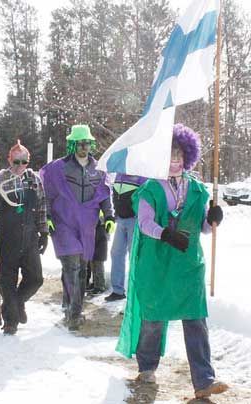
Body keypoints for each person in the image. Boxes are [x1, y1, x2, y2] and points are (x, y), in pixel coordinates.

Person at [116, 124, 229, 400]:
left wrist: (213, 218)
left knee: (196, 321)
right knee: (154, 319)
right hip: (156, 265)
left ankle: (204, 380)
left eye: (178, 154)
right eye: (169, 155)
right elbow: (143, 224)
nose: (174, 160)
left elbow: (202, 226)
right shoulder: (151, 188)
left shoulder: (198, 189)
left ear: (187, 155)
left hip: (188, 264)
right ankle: (147, 366)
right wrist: (165, 234)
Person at [41, 124, 114, 331]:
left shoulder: (98, 169)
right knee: (72, 266)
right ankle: (74, 314)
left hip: (87, 225)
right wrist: (46, 216)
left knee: (80, 269)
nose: (84, 147)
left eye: (88, 143)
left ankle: (69, 303)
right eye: (80, 143)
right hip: (63, 222)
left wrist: (109, 216)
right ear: (73, 145)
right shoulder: (58, 168)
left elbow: (105, 194)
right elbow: (48, 193)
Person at [0, 140, 47, 335]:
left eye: (24, 162)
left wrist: (44, 232)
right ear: (9, 160)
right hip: (8, 238)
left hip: (29, 237)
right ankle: (10, 321)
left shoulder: (34, 179)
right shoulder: (0, 178)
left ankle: (18, 302)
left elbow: (41, 207)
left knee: (36, 278)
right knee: (7, 282)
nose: (20, 166)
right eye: (16, 162)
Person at [104, 173, 146, 302]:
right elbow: (115, 195)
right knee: (116, 253)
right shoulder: (119, 175)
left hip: (135, 220)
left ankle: (136, 294)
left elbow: (146, 199)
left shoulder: (142, 176)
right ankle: (118, 290)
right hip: (121, 219)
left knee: (134, 256)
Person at [86, 216, 108, 295]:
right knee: (93, 265)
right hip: (94, 246)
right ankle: (95, 284)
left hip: (100, 247)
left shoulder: (101, 227)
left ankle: (100, 286)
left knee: (98, 266)